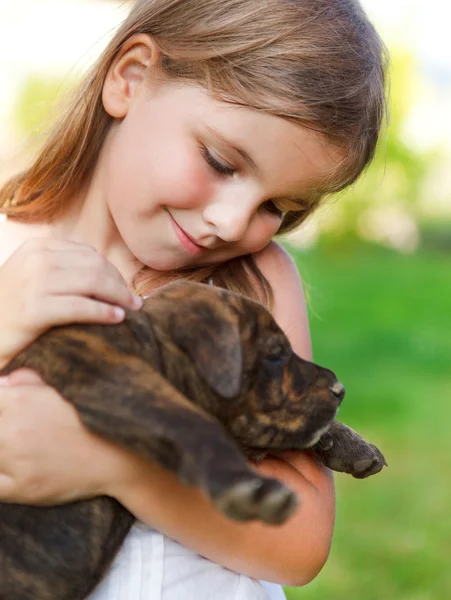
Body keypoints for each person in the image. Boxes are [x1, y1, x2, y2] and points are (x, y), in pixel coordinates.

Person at [0, 0, 387, 598]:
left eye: (276, 207)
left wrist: (121, 468)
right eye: (221, 161)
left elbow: (301, 542)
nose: (233, 224)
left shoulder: (255, 281)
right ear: (130, 79)